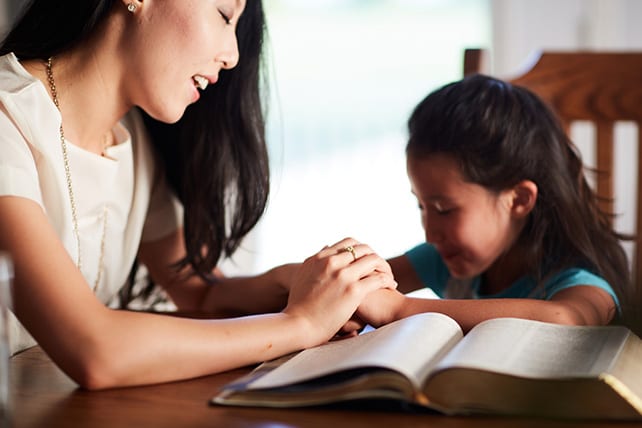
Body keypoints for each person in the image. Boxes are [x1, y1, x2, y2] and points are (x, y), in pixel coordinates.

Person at [0, 0, 396, 389]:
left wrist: (296, 281)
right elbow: (94, 349)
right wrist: (301, 324)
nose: (234, 55)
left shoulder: (131, 136)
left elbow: (199, 293)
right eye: (224, 15)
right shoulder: (8, 120)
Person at [356, 74, 636, 334]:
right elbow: (360, 290)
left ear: (518, 200)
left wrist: (399, 309)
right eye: (422, 207)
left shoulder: (576, 282)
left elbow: (565, 318)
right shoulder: (444, 257)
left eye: (444, 210)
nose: (430, 233)